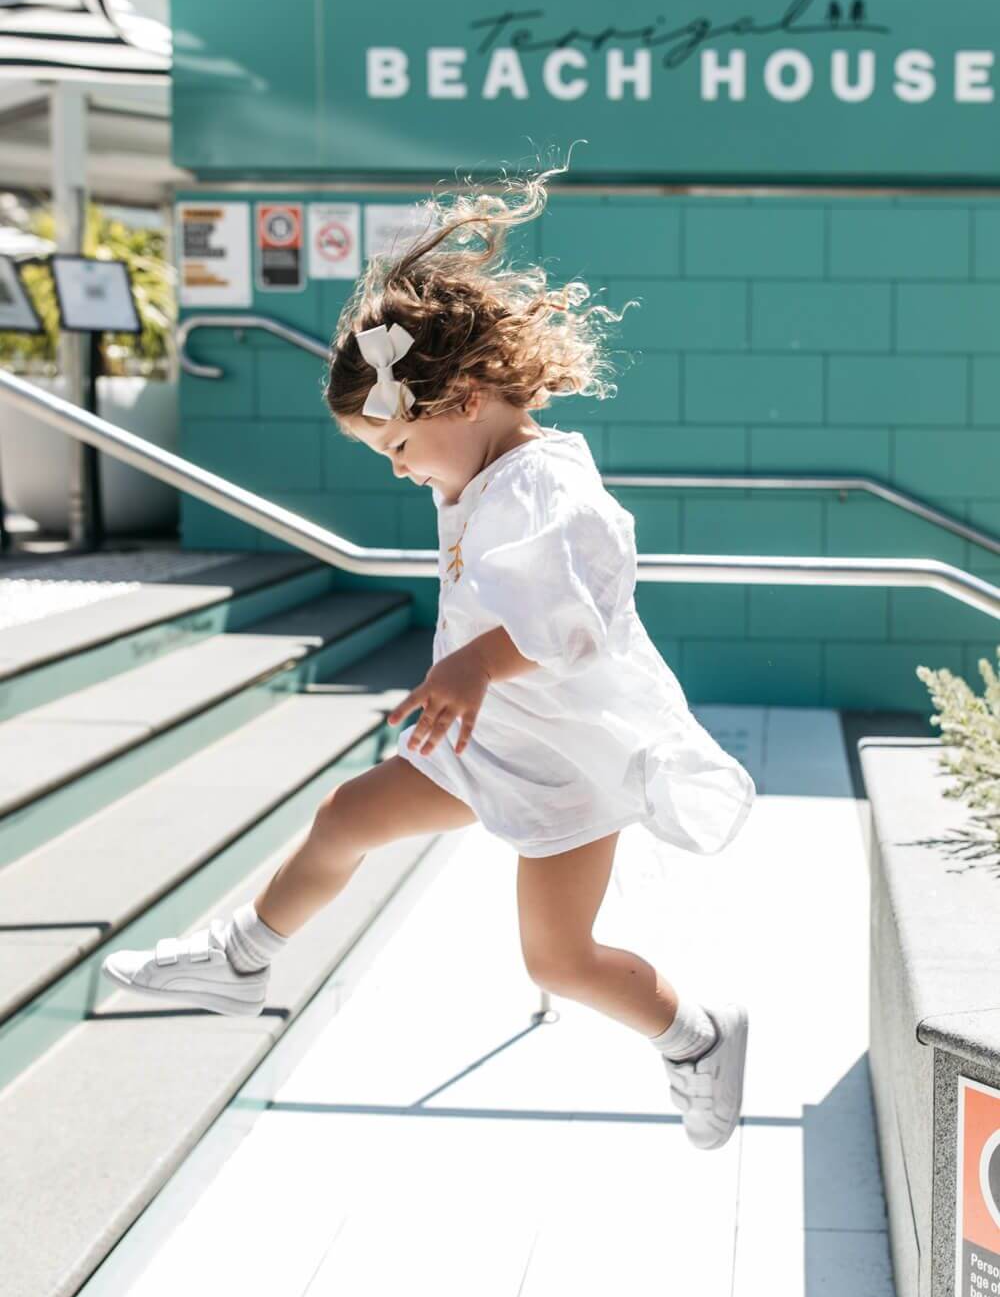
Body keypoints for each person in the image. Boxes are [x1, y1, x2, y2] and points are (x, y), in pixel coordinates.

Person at [102, 157, 756, 1152]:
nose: (400, 471)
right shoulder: (479, 476)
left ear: (459, 400)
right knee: (347, 815)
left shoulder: (543, 488)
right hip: (487, 738)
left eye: (395, 449)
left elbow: (581, 619)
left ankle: (696, 1037)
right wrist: (467, 682)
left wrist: (474, 667)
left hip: (562, 764)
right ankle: (241, 958)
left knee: (559, 960)